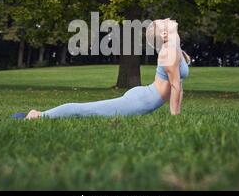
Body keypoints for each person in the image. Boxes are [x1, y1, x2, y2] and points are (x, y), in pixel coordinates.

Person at [11, 18, 190, 120]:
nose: (167, 19)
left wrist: (177, 114)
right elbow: (175, 87)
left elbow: (178, 86)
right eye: (164, 21)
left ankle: (39, 115)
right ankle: (37, 116)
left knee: (89, 110)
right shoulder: (169, 52)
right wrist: (176, 118)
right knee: (85, 110)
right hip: (140, 102)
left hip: (144, 96)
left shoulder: (174, 48)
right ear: (165, 34)